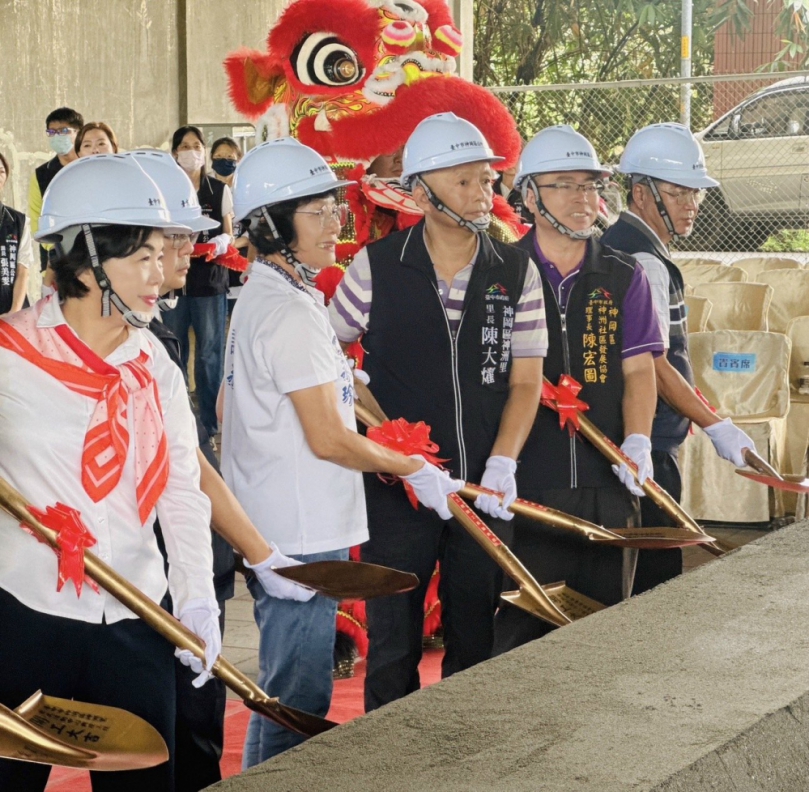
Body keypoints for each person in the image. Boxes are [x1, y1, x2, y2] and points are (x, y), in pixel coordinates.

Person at [221, 137, 462, 765]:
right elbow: (328, 438)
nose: (337, 223)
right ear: (274, 225)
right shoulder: (290, 312)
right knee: (297, 696)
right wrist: (409, 467)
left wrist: (394, 438)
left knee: (290, 688)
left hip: (281, 517)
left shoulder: (274, 295)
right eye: (320, 212)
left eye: (336, 208)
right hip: (299, 531)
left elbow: (324, 392)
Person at [0, 154, 221, 791]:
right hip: (23, 620)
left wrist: (198, 599)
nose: (162, 277)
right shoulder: (11, 355)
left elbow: (181, 490)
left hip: (136, 620)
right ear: (89, 260)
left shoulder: (156, 364)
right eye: (144, 257)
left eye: (163, 254)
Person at [329, 113, 546, 711]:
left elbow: (526, 381)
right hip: (397, 489)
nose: (484, 195)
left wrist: (503, 462)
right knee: (394, 645)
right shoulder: (374, 267)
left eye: (488, 180)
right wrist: (384, 437)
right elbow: (329, 363)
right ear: (421, 192)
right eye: (466, 182)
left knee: (475, 638)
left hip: (480, 487)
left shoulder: (516, 270)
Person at [128, 148, 312, 791]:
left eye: (187, 238)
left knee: (196, 728)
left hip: (189, 552)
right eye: (172, 239)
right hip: (132, 574)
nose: (186, 252)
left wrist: (253, 556)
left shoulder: (155, 335)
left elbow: (189, 458)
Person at [491, 125, 665, 654]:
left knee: (602, 638)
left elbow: (639, 371)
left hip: (607, 483)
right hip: (525, 487)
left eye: (590, 185)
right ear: (529, 195)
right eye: (563, 184)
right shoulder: (499, 273)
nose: (582, 198)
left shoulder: (623, 274)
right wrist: (498, 462)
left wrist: (638, 440)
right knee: (522, 636)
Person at [601, 123, 755, 595]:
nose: (691, 204)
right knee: (655, 582)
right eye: (679, 192)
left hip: (634, 438)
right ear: (641, 191)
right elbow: (654, 365)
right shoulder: (643, 260)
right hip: (646, 444)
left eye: (697, 193)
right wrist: (715, 424)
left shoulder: (628, 247)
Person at [162, 125, 233, 438]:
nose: (191, 151)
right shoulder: (166, 192)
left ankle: (211, 422)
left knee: (208, 355)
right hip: (173, 284)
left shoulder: (218, 191)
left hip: (208, 282)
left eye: (196, 145)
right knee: (173, 350)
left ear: (203, 152)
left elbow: (229, 231)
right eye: (184, 146)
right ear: (175, 153)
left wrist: (221, 242)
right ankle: (179, 423)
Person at [28, 106, 83, 274]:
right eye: (51, 132)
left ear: (79, 132)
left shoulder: (92, 166)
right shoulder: (41, 174)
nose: (56, 136)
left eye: (63, 131)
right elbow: (37, 218)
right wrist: (56, 246)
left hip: (97, 254)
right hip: (57, 263)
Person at [209, 137, 247, 316]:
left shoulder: (246, 188)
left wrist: (236, 243)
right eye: (219, 156)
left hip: (241, 259)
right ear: (211, 159)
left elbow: (256, 226)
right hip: (214, 261)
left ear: (238, 159)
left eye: (230, 157)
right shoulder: (206, 188)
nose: (224, 160)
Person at [0, 151, 35, 314]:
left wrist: (14, 312)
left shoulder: (18, 220)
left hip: (13, 309)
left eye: (1, 171)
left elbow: (23, 271)